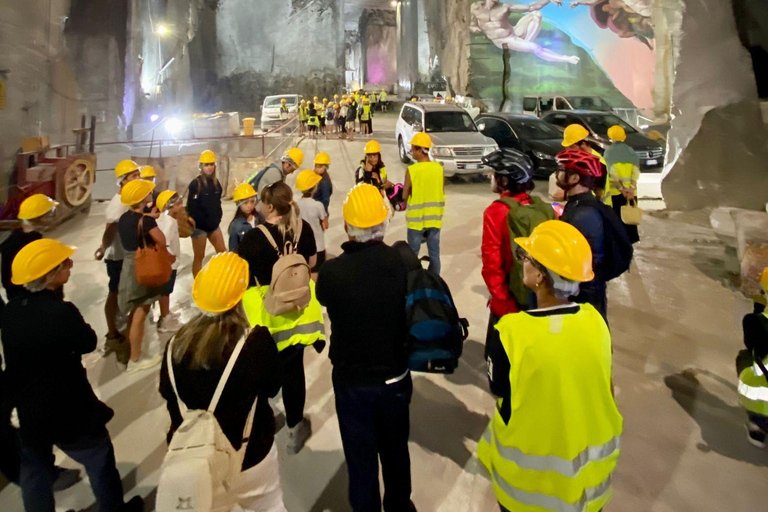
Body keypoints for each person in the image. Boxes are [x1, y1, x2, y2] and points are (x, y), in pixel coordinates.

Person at [480, 220, 622, 512]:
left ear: (540, 276)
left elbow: (501, 391)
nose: (523, 263)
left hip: (528, 493)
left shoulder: (510, 332)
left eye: (527, 259)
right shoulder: (595, 321)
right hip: (589, 486)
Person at [1, 238, 143, 512]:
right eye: (64, 263)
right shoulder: (61, 312)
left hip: (27, 414)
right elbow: (88, 341)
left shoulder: (10, 312)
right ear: (50, 275)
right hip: (67, 411)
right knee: (99, 459)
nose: (70, 265)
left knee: (36, 473)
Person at [159, 252, 288, 512]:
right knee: (269, 506)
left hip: (199, 459)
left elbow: (168, 394)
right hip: (249, 454)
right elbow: (272, 387)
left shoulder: (176, 344)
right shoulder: (254, 342)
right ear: (240, 297)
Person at [317, 184, 417, 512]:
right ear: (385, 221)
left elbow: (323, 300)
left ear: (347, 227)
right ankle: (400, 506)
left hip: (352, 381)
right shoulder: (402, 261)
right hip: (394, 376)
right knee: (395, 451)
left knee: (360, 461)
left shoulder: (331, 274)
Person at [238, 181, 324, 455]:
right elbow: (311, 264)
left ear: (270, 206)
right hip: (298, 313)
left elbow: (245, 277)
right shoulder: (303, 228)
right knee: (293, 374)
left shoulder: (253, 238)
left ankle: (263, 424)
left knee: (262, 375)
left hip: (269, 317)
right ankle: (294, 430)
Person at [481, 149, 554, 341]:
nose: (491, 177)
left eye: (495, 174)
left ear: (505, 180)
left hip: (509, 303)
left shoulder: (496, 211)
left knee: (502, 363)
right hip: (541, 297)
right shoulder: (542, 207)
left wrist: (502, 302)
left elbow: (492, 263)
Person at [118, 179, 169, 372]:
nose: (151, 193)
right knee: (141, 312)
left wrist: (148, 216)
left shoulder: (125, 218)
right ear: (141, 198)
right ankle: (135, 359)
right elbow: (161, 240)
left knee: (134, 311)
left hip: (129, 265)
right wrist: (151, 220)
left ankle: (133, 350)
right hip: (144, 268)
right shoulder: (146, 221)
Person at [555, 148, 609, 320]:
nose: (557, 174)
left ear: (575, 178)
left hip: (584, 295)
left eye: (562, 170)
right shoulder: (580, 205)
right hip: (587, 290)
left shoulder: (582, 214)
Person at [95, 160, 141, 349]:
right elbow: (110, 230)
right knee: (115, 292)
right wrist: (103, 248)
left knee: (125, 291)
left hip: (127, 253)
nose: (137, 179)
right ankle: (112, 332)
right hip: (118, 257)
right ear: (122, 181)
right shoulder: (118, 205)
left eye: (138, 175)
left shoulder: (129, 199)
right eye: (133, 176)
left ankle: (121, 324)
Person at [470, 0, 580, 64]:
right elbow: (473, 20)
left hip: (513, 33)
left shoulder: (504, 7)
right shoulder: (476, 7)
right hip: (503, 40)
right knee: (535, 48)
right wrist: (473, 26)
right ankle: (565, 58)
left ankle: (528, 42)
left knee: (536, 14)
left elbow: (532, 7)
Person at [0, 194, 58, 302]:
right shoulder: (30, 244)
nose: (54, 217)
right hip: (30, 299)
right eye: (51, 212)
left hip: (20, 299)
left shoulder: (13, 239)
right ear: (40, 217)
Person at [403, 132, 445, 275]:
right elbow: (441, 190)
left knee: (412, 256)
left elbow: (404, 195)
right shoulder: (439, 169)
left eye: (413, 149)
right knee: (434, 256)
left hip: (416, 221)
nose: (411, 152)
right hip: (434, 220)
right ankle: (435, 284)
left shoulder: (412, 170)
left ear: (421, 150)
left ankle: (413, 284)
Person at [738, 267, 768, 448]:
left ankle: (758, 425)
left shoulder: (753, 322)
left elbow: (751, 344)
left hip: (763, 393)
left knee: (744, 358)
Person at [186, 150, 226, 277]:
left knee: (223, 253)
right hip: (200, 228)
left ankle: (225, 278)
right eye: (206, 165)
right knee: (199, 257)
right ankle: (197, 284)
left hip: (213, 226)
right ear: (201, 167)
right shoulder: (195, 184)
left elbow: (217, 202)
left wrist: (217, 218)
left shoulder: (216, 183)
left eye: (211, 164)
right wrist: (199, 223)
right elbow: (191, 208)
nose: (209, 167)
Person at [605, 124, 640, 243]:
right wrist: (631, 188)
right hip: (631, 192)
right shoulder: (631, 152)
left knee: (619, 221)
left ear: (611, 138)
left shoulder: (609, 153)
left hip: (617, 193)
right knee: (630, 220)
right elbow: (636, 172)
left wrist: (621, 189)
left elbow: (612, 174)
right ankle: (632, 241)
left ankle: (621, 244)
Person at [155, 190, 184, 334]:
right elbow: (163, 242)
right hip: (168, 263)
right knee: (165, 292)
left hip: (168, 262)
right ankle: (164, 319)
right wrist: (171, 257)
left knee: (166, 291)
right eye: (178, 204)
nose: (181, 207)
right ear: (169, 207)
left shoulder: (163, 219)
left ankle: (166, 313)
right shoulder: (169, 222)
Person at [561, 123, 611, 204]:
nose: (568, 150)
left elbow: (595, 194)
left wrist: (565, 195)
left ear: (583, 144)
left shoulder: (598, 164)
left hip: (596, 210)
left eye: (572, 147)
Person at [295, 170, 329, 276]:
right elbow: (325, 225)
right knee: (317, 275)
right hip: (318, 246)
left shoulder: (296, 205)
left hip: (302, 246)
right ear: (314, 188)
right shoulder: (318, 205)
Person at [229, 183, 259, 253]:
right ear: (239, 204)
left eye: (252, 201)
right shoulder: (236, 226)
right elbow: (233, 250)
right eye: (245, 203)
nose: (249, 205)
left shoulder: (259, 217)